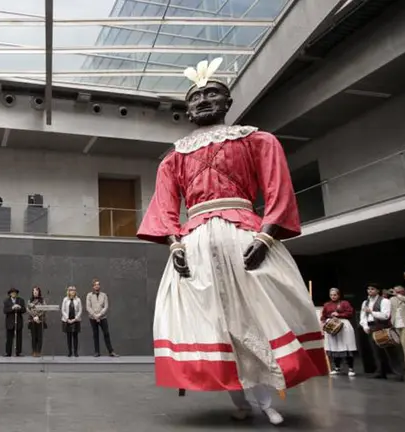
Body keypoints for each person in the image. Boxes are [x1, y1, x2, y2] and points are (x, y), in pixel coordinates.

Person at [136, 57, 326, 426]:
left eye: (213, 93)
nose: (204, 100)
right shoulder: (173, 158)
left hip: (246, 236)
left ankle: (266, 398)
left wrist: (267, 237)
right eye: (196, 97)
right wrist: (175, 245)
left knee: (260, 314)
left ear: (228, 103)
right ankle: (238, 398)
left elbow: (278, 192)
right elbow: (164, 207)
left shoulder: (258, 140)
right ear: (187, 111)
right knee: (211, 321)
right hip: (196, 244)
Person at [359, 284, 404, 381]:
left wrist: (371, 312)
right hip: (371, 327)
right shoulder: (365, 302)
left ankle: (398, 373)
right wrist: (365, 326)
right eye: (368, 289)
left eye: (372, 289)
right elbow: (363, 316)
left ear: (378, 290)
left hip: (383, 327)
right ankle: (381, 372)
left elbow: (385, 316)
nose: (370, 291)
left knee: (390, 351)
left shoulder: (384, 301)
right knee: (377, 352)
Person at [320, 288, 357, 376]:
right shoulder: (327, 305)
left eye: (335, 295)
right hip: (331, 326)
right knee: (334, 347)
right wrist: (323, 322)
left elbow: (350, 313)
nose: (333, 296)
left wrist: (339, 314)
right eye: (331, 295)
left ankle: (351, 368)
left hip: (343, 325)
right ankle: (337, 368)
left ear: (339, 295)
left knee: (346, 346)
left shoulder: (344, 303)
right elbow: (323, 316)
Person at [86, 278, 118, 357]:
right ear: (93, 286)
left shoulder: (104, 295)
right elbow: (88, 307)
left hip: (102, 317)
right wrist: (94, 315)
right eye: (95, 285)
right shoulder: (89, 295)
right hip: (92, 318)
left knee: (106, 334)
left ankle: (111, 351)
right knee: (95, 334)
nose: (97, 286)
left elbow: (106, 306)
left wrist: (99, 315)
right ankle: (97, 352)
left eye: (98, 284)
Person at [3, 288, 25, 357]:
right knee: (9, 338)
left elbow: (24, 310)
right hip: (10, 322)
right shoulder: (6, 301)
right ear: (10, 294)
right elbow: (5, 311)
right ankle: (8, 352)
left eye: (15, 293)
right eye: (12, 293)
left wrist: (19, 307)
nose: (13, 294)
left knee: (19, 338)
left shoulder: (20, 300)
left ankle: (18, 352)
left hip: (18, 322)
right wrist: (12, 308)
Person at [61, 286, 82, 357]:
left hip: (75, 320)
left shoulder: (78, 300)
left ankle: (75, 352)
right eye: (71, 290)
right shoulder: (65, 299)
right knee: (68, 336)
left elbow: (80, 310)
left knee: (75, 336)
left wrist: (75, 319)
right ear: (68, 292)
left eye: (73, 291)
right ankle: (69, 352)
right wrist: (67, 319)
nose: (72, 292)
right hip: (67, 320)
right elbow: (63, 310)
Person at [27, 286, 47, 357]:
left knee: (40, 337)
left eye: (36, 291)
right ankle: (34, 351)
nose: (35, 292)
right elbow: (28, 309)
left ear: (39, 292)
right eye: (34, 291)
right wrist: (34, 316)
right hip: (32, 321)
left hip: (40, 321)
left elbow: (44, 309)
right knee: (33, 337)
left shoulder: (42, 300)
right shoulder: (30, 300)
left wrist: (38, 316)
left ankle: (39, 351)